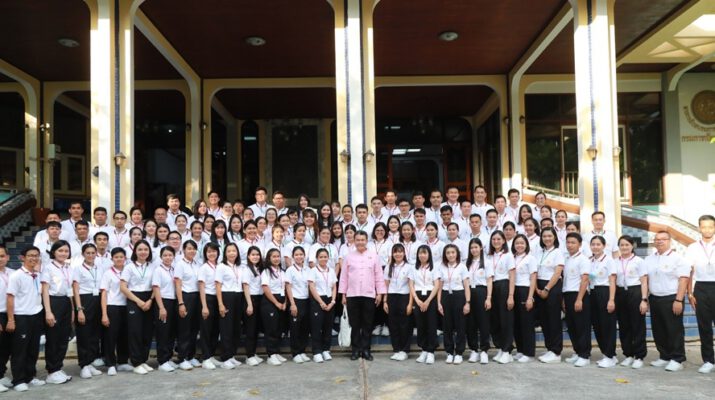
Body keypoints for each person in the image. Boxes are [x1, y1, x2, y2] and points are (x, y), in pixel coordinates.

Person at [646, 231, 689, 372]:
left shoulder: (678, 258)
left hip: (671, 298)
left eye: (663, 239)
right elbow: (646, 279)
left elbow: (683, 280)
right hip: (654, 297)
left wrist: (679, 299)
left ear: (669, 241)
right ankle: (664, 356)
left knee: (674, 330)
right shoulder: (649, 259)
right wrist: (645, 298)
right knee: (658, 329)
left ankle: (677, 358)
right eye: (657, 239)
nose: (659, 241)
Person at [339, 231, 386, 361]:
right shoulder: (348, 257)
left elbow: (379, 276)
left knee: (367, 323)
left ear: (366, 241)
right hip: (352, 294)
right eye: (358, 240)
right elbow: (343, 277)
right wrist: (343, 294)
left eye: (362, 240)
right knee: (354, 324)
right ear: (354, 241)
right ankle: (355, 350)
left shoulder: (374, 256)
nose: (360, 242)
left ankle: (366, 350)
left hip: (369, 294)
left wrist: (380, 293)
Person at [6, 246, 46, 392]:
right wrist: (11, 320)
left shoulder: (38, 275)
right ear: (22, 258)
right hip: (22, 316)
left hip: (36, 315)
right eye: (30, 255)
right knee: (20, 350)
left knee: (33, 349)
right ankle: (18, 380)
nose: (34, 258)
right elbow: (10, 298)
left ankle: (30, 376)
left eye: (36, 255)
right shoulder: (16, 276)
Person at [120, 240, 157, 375]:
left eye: (146, 249)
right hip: (134, 298)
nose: (143, 252)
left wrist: (150, 300)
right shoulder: (129, 267)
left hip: (149, 298)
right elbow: (123, 287)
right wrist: (139, 302)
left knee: (147, 331)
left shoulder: (153, 267)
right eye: (140, 249)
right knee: (135, 332)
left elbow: (156, 286)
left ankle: (143, 360)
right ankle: (136, 362)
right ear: (135, 251)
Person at [40, 240, 74, 384]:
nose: (63, 253)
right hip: (53, 302)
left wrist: (72, 309)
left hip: (66, 302)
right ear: (54, 252)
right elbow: (45, 290)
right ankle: (51, 370)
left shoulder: (68, 267)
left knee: (63, 337)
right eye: (60, 250)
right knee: (53, 337)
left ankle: (58, 367)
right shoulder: (48, 268)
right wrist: (48, 311)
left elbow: (70, 290)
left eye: (66, 251)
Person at [687, 214, 715, 374]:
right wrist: (690, 293)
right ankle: (709, 360)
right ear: (699, 228)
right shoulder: (693, 247)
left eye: (710, 226)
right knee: (704, 326)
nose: (707, 230)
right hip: (701, 288)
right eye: (704, 227)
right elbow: (689, 271)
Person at [614, 235, 648, 369]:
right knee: (624, 325)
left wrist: (644, 300)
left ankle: (639, 356)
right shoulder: (615, 261)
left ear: (632, 245)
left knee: (637, 325)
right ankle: (628, 354)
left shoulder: (639, 261)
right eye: (621, 245)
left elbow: (644, 281)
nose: (624, 247)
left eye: (627, 245)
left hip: (635, 292)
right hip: (620, 293)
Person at [72, 243, 105, 379]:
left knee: (94, 334)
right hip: (84, 300)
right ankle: (84, 365)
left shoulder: (100, 268)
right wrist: (79, 309)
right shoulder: (78, 269)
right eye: (88, 253)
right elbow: (75, 290)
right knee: (84, 333)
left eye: (93, 253)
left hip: (98, 300)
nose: (91, 255)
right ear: (83, 254)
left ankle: (90, 361)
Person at [535, 227, 566, 364]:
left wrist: (547, 289)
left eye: (550, 236)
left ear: (554, 237)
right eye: (544, 236)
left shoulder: (558, 252)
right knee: (544, 320)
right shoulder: (540, 252)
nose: (547, 238)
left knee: (553, 320)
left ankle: (556, 351)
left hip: (552, 286)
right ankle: (550, 348)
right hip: (540, 286)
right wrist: (537, 289)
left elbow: (558, 272)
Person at [437, 244, 470, 364]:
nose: (450, 255)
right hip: (446, 296)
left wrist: (467, 302)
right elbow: (439, 287)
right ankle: (449, 352)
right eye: (448, 253)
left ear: (457, 254)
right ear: (445, 255)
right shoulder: (442, 267)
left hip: (459, 296)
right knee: (447, 326)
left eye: (453, 252)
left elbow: (466, 286)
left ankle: (459, 352)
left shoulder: (462, 267)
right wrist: (439, 303)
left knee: (460, 325)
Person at [485, 231, 516, 364]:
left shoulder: (508, 255)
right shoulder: (489, 256)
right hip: (492, 287)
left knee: (505, 320)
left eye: (498, 239)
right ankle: (501, 347)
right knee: (495, 320)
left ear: (504, 241)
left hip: (504, 286)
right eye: (494, 239)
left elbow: (512, 276)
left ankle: (507, 350)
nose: (496, 241)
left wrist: (510, 296)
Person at [563, 233, 592, 367]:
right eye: (568, 242)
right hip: (568, 294)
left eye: (573, 242)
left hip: (579, 294)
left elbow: (584, 279)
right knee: (572, 326)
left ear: (579, 244)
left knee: (582, 326)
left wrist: (579, 299)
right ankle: (578, 351)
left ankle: (585, 355)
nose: (570, 245)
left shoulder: (583, 259)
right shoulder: (566, 259)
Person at [588, 236, 618, 368]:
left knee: (607, 325)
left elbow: (612, 281)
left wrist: (611, 299)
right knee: (597, 325)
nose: (595, 247)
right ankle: (607, 354)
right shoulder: (590, 260)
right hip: (593, 292)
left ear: (604, 246)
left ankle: (609, 355)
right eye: (593, 244)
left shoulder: (609, 260)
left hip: (605, 292)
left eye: (598, 244)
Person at [409, 245, 441, 365]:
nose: (422, 255)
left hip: (430, 296)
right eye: (420, 253)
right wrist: (417, 300)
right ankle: (424, 349)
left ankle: (431, 351)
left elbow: (437, 285)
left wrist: (428, 301)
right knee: (420, 324)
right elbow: (411, 285)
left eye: (425, 253)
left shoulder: (434, 268)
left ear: (429, 255)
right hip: (418, 297)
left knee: (431, 324)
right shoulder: (414, 268)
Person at [173, 240, 202, 370]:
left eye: (194, 248)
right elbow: (178, 284)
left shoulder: (197, 264)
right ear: (184, 250)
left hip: (196, 297)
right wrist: (181, 303)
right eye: (189, 248)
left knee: (194, 329)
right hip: (185, 297)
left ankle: (191, 356)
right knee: (184, 329)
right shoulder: (180, 264)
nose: (192, 251)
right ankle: (182, 358)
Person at [214, 243, 243, 370]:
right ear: (225, 253)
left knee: (236, 328)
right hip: (227, 297)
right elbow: (218, 286)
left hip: (238, 296)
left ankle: (231, 355)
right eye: (229, 251)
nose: (232, 253)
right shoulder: (221, 267)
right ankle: (225, 357)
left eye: (234, 251)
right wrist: (220, 304)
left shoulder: (239, 266)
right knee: (226, 328)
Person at [383, 244, 413, 361]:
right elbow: (386, 285)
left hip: (404, 296)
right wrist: (385, 301)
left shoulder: (409, 267)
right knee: (393, 324)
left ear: (404, 253)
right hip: (391, 297)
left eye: (400, 252)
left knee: (405, 324)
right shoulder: (388, 267)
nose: (398, 254)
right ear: (392, 254)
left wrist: (410, 303)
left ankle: (404, 350)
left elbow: (411, 286)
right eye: (395, 252)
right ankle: (396, 349)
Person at [308, 248, 338, 363]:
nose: (323, 259)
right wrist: (321, 302)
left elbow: (334, 287)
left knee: (328, 326)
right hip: (317, 300)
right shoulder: (313, 270)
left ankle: (326, 350)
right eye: (321, 257)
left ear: (328, 258)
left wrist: (333, 301)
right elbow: (312, 287)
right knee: (316, 327)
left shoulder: (331, 270)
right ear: (317, 258)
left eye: (325, 257)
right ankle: (317, 351)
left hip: (330, 300)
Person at [465, 239, 492, 364]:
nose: (474, 250)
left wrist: (488, 297)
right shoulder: (467, 263)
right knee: (470, 322)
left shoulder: (487, 262)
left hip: (482, 292)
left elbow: (489, 281)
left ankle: (484, 350)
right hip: (469, 292)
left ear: (481, 248)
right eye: (472, 248)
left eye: (476, 247)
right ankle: (474, 350)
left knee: (483, 322)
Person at [152, 247, 178, 372]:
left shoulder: (173, 269)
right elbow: (156, 289)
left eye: (170, 255)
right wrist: (161, 307)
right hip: (163, 302)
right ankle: (162, 361)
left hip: (173, 301)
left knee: (171, 332)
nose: (168, 257)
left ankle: (168, 358)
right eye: (165, 255)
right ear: (161, 257)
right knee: (163, 333)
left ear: (174, 256)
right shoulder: (158, 270)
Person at [512, 234, 537, 363]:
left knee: (526, 323)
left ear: (526, 245)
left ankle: (529, 353)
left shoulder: (530, 258)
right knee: (517, 322)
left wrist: (530, 297)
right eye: (517, 243)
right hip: (514, 290)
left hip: (525, 290)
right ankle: (520, 350)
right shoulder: (512, 257)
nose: (519, 245)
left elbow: (533, 278)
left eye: (522, 243)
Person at [261, 248, 288, 366]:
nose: (276, 259)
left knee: (279, 328)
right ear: (269, 258)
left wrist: (285, 302)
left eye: (278, 256)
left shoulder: (282, 271)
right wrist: (276, 303)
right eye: (274, 257)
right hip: (270, 300)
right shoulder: (266, 272)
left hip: (282, 300)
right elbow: (265, 288)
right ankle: (271, 354)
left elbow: (286, 287)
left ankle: (276, 352)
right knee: (271, 328)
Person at [285, 247, 312, 364]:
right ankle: (295, 353)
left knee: (304, 328)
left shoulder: (308, 269)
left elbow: (310, 286)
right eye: (296, 255)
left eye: (301, 254)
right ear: (293, 257)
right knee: (295, 328)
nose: (299, 256)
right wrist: (292, 304)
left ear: (304, 256)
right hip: (296, 300)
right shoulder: (290, 270)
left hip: (306, 300)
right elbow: (288, 287)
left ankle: (302, 351)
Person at [197, 243, 222, 370]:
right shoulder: (204, 268)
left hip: (218, 299)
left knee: (215, 329)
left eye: (214, 251)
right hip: (207, 298)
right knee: (206, 330)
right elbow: (201, 287)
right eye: (209, 252)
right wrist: (204, 306)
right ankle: (205, 358)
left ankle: (211, 355)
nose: (212, 254)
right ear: (205, 254)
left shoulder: (220, 266)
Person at [241, 246, 265, 367]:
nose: (255, 257)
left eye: (257, 254)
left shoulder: (259, 268)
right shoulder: (246, 269)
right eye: (253, 255)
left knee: (255, 329)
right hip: (250, 299)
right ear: (248, 256)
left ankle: (253, 353)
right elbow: (245, 286)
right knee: (250, 329)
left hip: (259, 298)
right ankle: (249, 355)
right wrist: (249, 304)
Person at [0, 246, 11, 390]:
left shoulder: (13, 273)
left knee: (6, 348)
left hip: (10, 314)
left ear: (8, 257)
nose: (0, 259)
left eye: (2, 256)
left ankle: (1, 375)